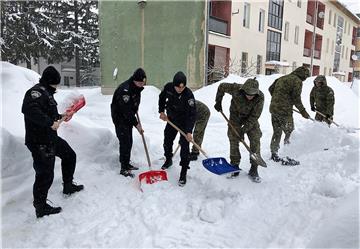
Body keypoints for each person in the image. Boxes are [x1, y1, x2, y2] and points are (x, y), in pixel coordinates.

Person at [22, 66, 84, 218]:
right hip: (39, 141)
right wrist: (50, 123)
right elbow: (29, 110)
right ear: (50, 82)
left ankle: (68, 186)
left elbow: (50, 114)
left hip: (50, 138)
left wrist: (62, 116)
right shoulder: (35, 93)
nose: (57, 87)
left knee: (70, 156)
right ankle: (40, 207)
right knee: (45, 174)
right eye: (55, 83)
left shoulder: (47, 93)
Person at [214, 78, 264, 182]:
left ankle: (254, 168)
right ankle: (234, 165)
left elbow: (254, 117)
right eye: (248, 94)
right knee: (233, 139)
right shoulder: (235, 88)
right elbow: (221, 86)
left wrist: (243, 130)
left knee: (255, 139)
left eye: (252, 95)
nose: (250, 97)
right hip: (235, 117)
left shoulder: (260, 97)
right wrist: (218, 101)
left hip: (250, 119)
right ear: (244, 90)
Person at [158, 71, 196, 186]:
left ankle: (183, 172)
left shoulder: (189, 95)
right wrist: (161, 111)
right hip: (172, 119)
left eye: (183, 87)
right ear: (173, 85)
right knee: (167, 140)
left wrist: (189, 131)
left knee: (185, 147)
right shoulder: (168, 88)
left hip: (184, 122)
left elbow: (192, 115)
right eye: (178, 87)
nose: (180, 89)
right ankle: (168, 159)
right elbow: (161, 98)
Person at [268, 66, 310, 161]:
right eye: (306, 77)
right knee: (290, 132)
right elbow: (296, 98)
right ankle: (288, 154)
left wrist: (278, 99)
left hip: (274, 108)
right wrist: (303, 111)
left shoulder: (282, 78)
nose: (305, 79)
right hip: (285, 111)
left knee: (277, 132)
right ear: (303, 74)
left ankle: (274, 153)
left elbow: (270, 89)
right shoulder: (297, 81)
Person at [111, 68, 146, 178]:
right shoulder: (125, 90)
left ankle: (127, 163)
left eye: (143, 82)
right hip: (120, 118)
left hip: (128, 117)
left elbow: (133, 105)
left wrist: (135, 109)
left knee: (129, 141)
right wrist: (137, 125)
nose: (141, 84)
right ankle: (123, 168)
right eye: (139, 82)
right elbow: (126, 111)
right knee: (124, 142)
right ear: (134, 80)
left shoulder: (136, 88)